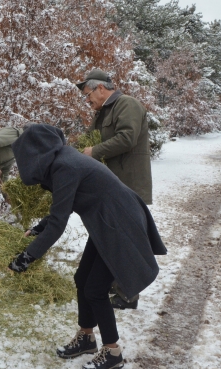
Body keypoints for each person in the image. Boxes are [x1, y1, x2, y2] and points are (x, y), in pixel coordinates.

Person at [7, 124, 166, 369]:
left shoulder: (65, 166)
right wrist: (39, 229)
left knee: (95, 289)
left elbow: (59, 223)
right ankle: (86, 338)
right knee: (82, 279)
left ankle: (113, 352)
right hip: (107, 221)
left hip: (118, 223)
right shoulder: (63, 160)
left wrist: (29, 256)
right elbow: (62, 208)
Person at [77, 69, 153, 310]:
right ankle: (108, 283)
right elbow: (90, 140)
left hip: (128, 185)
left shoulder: (126, 104)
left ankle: (127, 295)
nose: (87, 101)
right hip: (112, 187)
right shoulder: (103, 112)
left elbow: (127, 138)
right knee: (108, 237)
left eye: (88, 95)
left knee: (124, 241)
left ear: (101, 88)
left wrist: (94, 152)